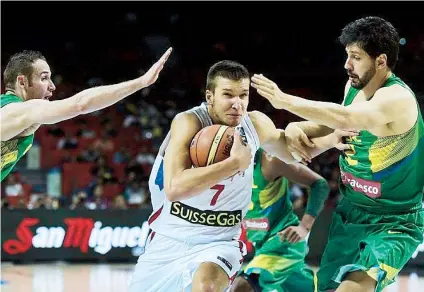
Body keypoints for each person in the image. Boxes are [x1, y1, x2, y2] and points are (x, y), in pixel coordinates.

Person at [128, 60, 356, 292]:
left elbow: (290, 150)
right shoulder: (188, 122)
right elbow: (175, 188)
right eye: (228, 95)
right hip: (168, 238)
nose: (237, 104)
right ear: (210, 96)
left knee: (207, 286)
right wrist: (234, 163)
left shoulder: (255, 125)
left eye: (243, 95)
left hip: (219, 242)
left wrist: (330, 139)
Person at [251, 16, 424, 292]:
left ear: (381, 61)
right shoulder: (353, 89)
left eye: (355, 57)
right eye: (347, 56)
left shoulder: (398, 99)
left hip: (394, 220)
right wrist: (297, 127)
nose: (347, 65)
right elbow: (337, 123)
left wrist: (284, 101)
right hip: (351, 212)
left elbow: (349, 117)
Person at [0, 48, 172, 181]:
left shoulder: (19, 114)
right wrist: (140, 82)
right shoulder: (16, 111)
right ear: (22, 81)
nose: (52, 86)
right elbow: (80, 104)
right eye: (44, 78)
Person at [230, 147, 330, 292]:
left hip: (283, 242)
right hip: (262, 245)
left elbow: (319, 185)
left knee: (242, 287)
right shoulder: (226, 169)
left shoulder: (269, 161)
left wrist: (304, 228)